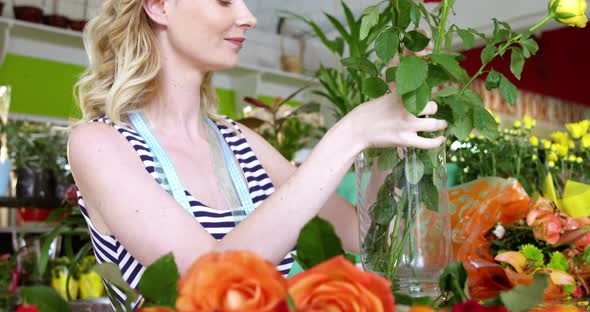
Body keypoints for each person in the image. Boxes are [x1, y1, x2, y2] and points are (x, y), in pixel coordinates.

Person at [67, 0, 447, 309]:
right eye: (224, 1)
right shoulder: (98, 144)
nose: (247, 17)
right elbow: (206, 282)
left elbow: (360, 234)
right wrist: (349, 135)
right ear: (159, 7)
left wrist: (392, 121)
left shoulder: (241, 142)